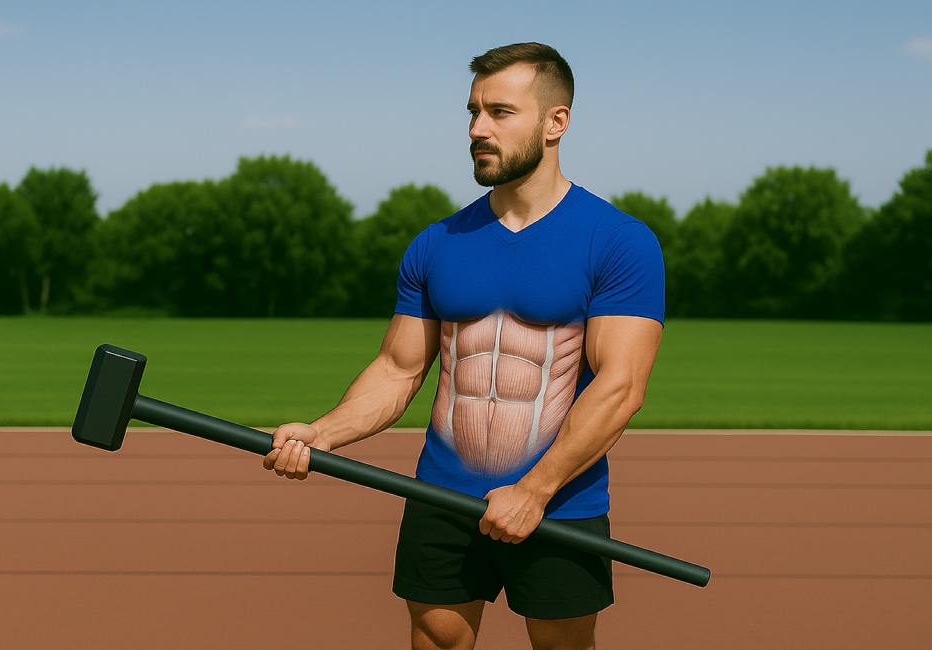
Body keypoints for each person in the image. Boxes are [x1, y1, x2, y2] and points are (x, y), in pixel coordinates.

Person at [263, 42, 664, 650]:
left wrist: (534, 492)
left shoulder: (617, 242)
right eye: (472, 111)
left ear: (557, 122)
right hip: (440, 495)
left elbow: (621, 388)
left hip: (559, 502)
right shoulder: (438, 243)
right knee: (437, 642)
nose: (478, 129)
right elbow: (398, 372)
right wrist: (324, 432)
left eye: (500, 112)